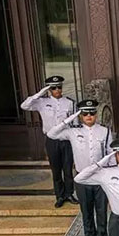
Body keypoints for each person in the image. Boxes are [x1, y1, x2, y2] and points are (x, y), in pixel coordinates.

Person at [47, 99, 114, 236]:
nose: (89, 116)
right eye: (85, 113)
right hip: (82, 178)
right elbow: (51, 134)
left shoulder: (105, 131)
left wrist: (111, 176)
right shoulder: (72, 131)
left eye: (92, 113)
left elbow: (111, 154)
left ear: (96, 114)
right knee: (86, 211)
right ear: (80, 115)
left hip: (100, 178)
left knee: (101, 210)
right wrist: (70, 119)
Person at [20, 75, 78, 208]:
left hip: (66, 140)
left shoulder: (69, 102)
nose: (57, 90)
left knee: (68, 169)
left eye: (59, 87)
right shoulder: (41, 102)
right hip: (52, 141)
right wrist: (40, 93)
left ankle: (69, 193)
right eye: (54, 88)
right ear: (49, 89)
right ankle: (60, 196)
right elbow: (24, 106)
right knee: (56, 170)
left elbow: (75, 124)